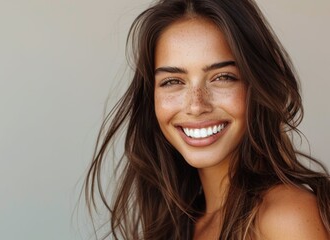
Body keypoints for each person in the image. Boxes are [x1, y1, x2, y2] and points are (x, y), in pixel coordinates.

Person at [84, 0, 330, 239]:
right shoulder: (183, 221)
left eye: (222, 77)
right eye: (173, 81)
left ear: (258, 85)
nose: (196, 105)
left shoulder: (286, 217)